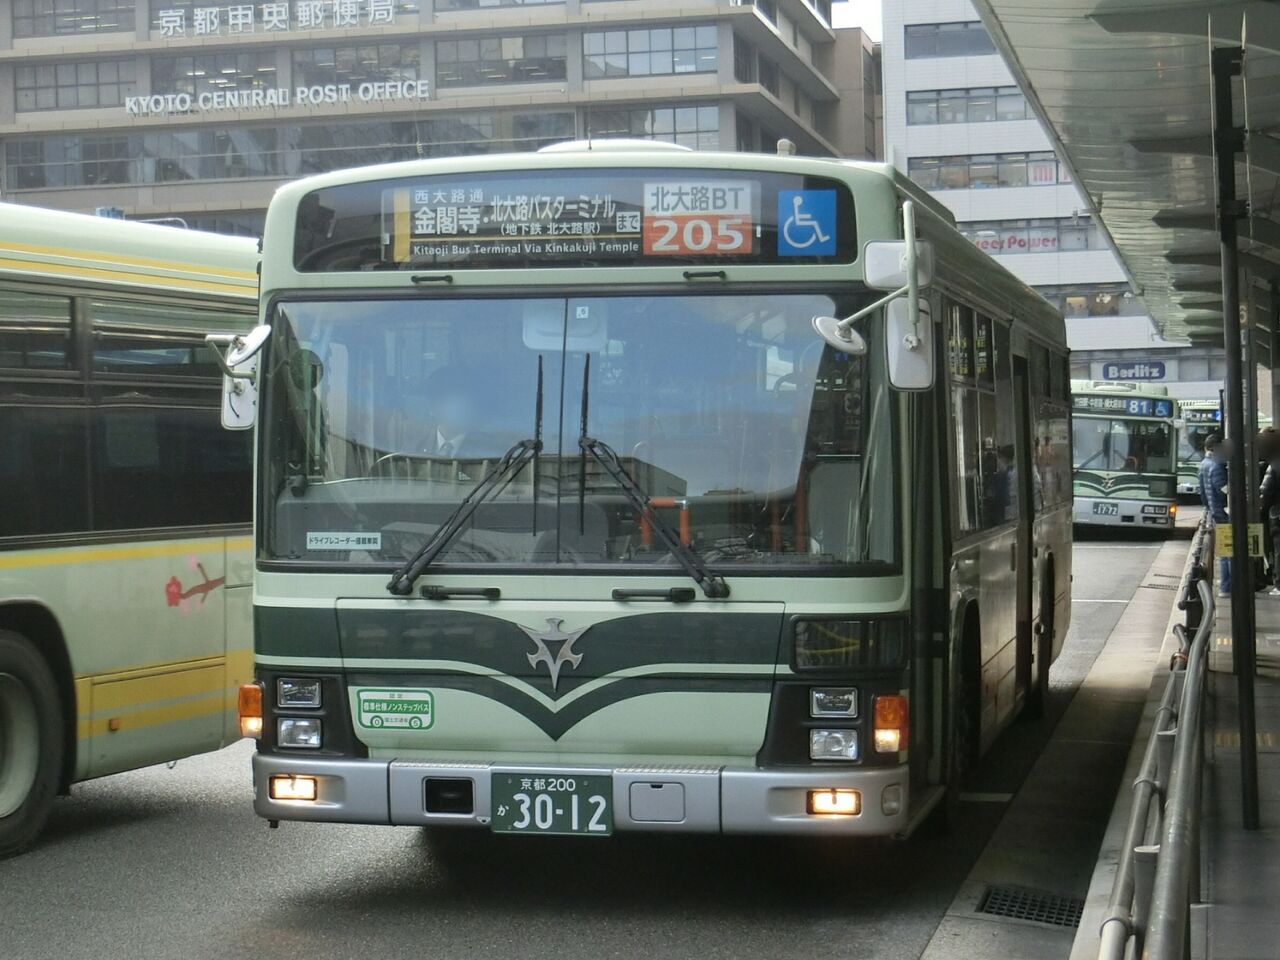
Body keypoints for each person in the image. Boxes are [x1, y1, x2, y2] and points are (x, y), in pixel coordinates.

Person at [1199, 433, 1231, 596]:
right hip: (1223, 513)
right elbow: (1223, 489)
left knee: (1224, 550)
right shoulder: (1217, 465)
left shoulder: (1204, 464)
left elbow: (1203, 493)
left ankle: (1226, 586)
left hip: (1214, 512)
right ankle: (1227, 586)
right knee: (1228, 551)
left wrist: (1209, 508)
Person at [1257, 427, 1280, 596]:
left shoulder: (1274, 466)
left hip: (1276, 515)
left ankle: (1278, 583)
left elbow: (1265, 493)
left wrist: (1259, 509)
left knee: (1277, 550)